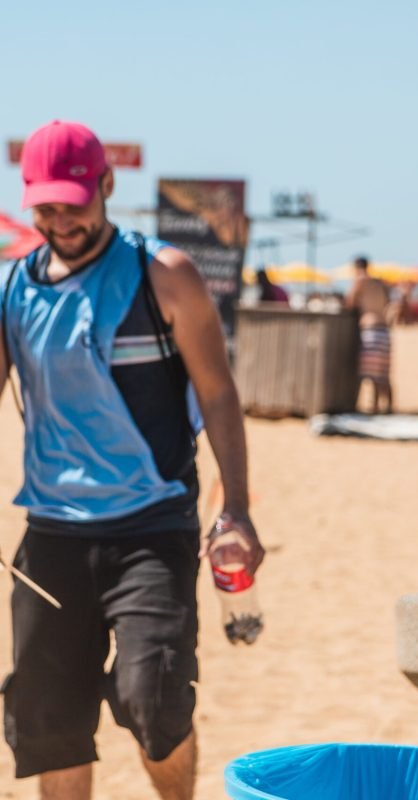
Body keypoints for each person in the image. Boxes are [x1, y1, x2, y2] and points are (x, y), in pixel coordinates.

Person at [0, 120, 265, 800]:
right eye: (46, 206)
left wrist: (234, 507)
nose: (61, 221)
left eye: (75, 203)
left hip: (152, 525)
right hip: (53, 534)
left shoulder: (164, 277)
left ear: (107, 186)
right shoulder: (13, 291)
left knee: (155, 701)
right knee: (49, 722)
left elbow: (218, 394)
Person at [345, 256, 393, 413]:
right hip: (385, 330)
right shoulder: (380, 283)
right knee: (383, 373)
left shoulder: (360, 280)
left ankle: (372, 407)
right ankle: (386, 407)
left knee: (369, 373)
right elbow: (388, 303)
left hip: (370, 329)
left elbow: (350, 302)